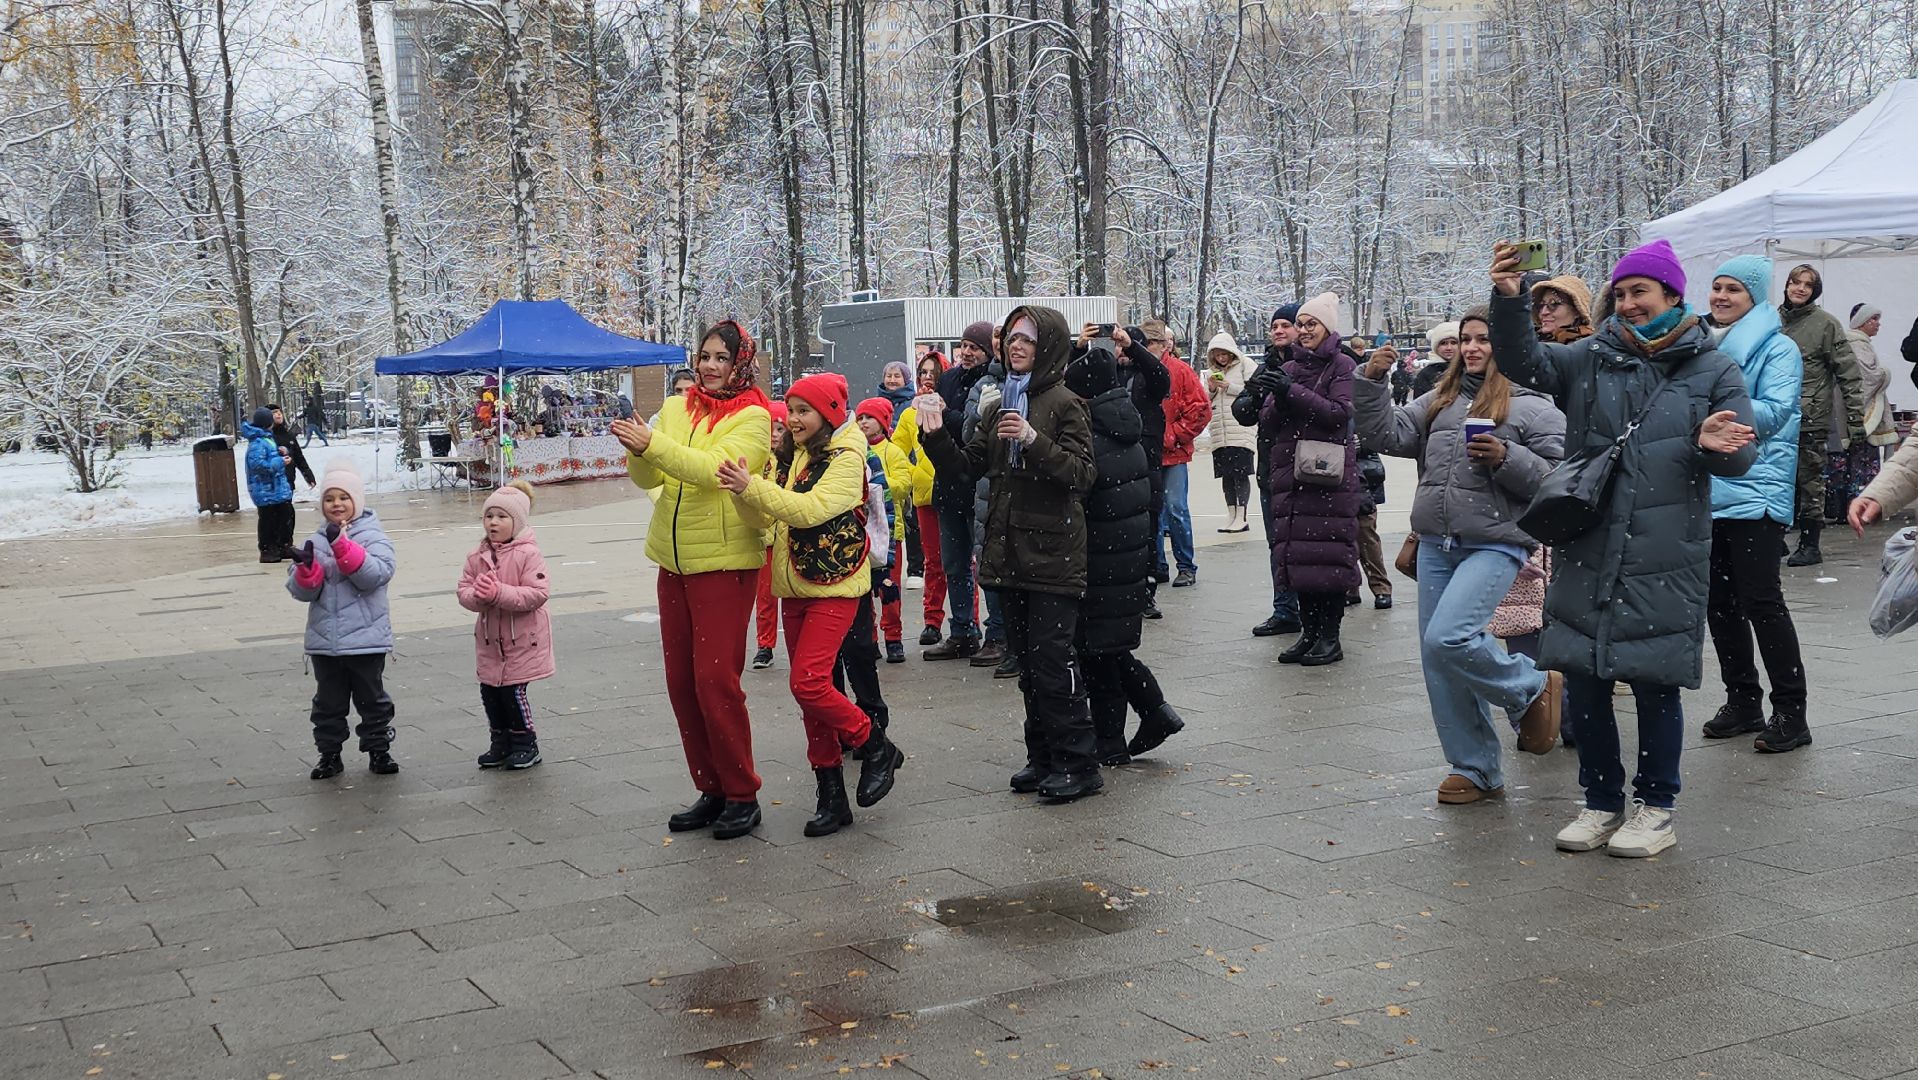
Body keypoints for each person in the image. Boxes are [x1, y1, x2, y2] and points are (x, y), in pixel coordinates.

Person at [1490, 238, 1757, 857]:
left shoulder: (1713, 368)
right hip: (1589, 539)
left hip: (1667, 548)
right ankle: (1600, 801)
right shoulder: (1589, 358)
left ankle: (1656, 807)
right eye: (1622, 293)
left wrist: (1718, 442)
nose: (1630, 303)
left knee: (1653, 679)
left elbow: (1743, 456)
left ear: (1671, 295)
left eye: (1642, 291)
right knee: (1583, 673)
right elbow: (1524, 361)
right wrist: (1508, 299)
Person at [1355, 309, 1566, 802]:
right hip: (1435, 542)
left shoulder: (1536, 408)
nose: (1472, 348)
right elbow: (1386, 434)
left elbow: (1558, 479)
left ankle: (1529, 687)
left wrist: (1507, 458)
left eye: (1484, 340)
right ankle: (1474, 767)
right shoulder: (1440, 399)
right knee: (1436, 656)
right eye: (1466, 339)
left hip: (1497, 542)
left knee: (1449, 638)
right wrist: (1370, 381)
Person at [919, 306, 1102, 800]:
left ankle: (1078, 763)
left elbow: (1082, 475)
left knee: (1053, 663)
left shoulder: (1065, 403)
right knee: (1027, 666)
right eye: (1011, 338)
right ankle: (1042, 758)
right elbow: (967, 468)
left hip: (1054, 553)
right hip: (1011, 553)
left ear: (1049, 347)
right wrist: (935, 435)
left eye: (1027, 339)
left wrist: (1033, 439)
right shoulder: (1002, 401)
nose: (1015, 346)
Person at [718, 372, 904, 837]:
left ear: (828, 414)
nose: (794, 419)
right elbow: (764, 515)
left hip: (835, 585)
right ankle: (831, 794)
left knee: (807, 683)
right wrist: (742, 491)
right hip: (794, 586)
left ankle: (875, 743)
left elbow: (810, 510)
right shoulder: (787, 456)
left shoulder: (847, 455)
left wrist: (752, 489)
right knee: (810, 698)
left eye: (804, 411)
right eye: (791, 410)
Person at [614, 321, 772, 841]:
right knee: (681, 682)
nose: (708, 366)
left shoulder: (753, 415)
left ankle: (742, 792)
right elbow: (651, 478)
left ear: (740, 364)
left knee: (715, 682)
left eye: (721, 358)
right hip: (673, 561)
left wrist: (653, 445)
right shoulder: (678, 408)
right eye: (704, 355)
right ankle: (711, 787)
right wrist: (640, 451)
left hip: (725, 564)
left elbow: (712, 471)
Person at [1698, 256, 1811, 753]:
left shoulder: (1779, 349)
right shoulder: (1702, 345)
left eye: (1734, 290)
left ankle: (1791, 712)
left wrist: (1711, 414)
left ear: (1756, 298)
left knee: (1763, 603)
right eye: (1717, 288)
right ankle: (1743, 700)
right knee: (1718, 604)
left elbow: (1775, 411)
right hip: (1709, 490)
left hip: (1757, 489)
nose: (1721, 297)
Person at [1064, 348, 1184, 765]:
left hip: (1102, 562)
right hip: (1123, 560)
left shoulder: (1095, 438)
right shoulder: (1122, 427)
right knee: (1108, 650)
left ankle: (1113, 742)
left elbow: (1083, 499)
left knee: (1098, 655)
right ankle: (1155, 712)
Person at [1252, 293, 1361, 666]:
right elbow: (1268, 420)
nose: (1303, 330)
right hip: (1292, 475)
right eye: (1301, 324)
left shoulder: (1342, 365)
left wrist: (1291, 394)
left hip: (1327, 479)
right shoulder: (1292, 368)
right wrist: (1276, 395)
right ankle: (1309, 632)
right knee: (1299, 560)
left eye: (1311, 323)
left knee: (1326, 559)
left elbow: (1338, 414)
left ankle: (1330, 636)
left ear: (1328, 326)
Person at [286, 459, 400, 779]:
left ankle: (379, 749)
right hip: (326, 642)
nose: (337, 504)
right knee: (328, 705)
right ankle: (329, 754)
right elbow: (303, 591)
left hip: (366, 640)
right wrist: (307, 571)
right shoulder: (316, 540)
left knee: (372, 700)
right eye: (329, 498)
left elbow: (375, 575)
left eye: (343, 497)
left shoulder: (373, 536)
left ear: (357, 500)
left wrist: (343, 547)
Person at [456, 480, 552, 770]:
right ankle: (500, 741)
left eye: (502, 517)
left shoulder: (528, 554)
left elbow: (537, 594)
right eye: (489, 516)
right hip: (489, 640)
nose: (493, 522)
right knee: (490, 691)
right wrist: (480, 597)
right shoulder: (477, 555)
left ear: (518, 522)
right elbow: (464, 590)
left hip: (522, 639)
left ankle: (525, 743)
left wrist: (499, 593)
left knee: (513, 692)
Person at [1779, 264, 1868, 566]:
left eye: (1808, 285)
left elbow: (1849, 375)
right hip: (1774, 415)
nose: (1800, 288)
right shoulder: (1771, 320)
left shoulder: (1826, 324)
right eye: (1795, 282)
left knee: (1809, 482)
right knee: (1776, 478)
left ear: (1815, 291)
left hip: (1810, 416)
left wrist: (1856, 420)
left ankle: (1810, 544)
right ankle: (1774, 539)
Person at [924, 321, 997, 661]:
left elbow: (973, 433)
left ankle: (997, 632)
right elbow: (940, 434)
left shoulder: (994, 383)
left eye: (975, 347)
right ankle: (963, 629)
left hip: (980, 486)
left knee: (986, 565)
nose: (967, 352)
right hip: (948, 483)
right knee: (953, 564)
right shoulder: (949, 378)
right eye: (964, 345)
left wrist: (945, 414)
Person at [1236, 305, 1303, 636]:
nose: (1278, 330)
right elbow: (1245, 414)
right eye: (1275, 325)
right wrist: (1254, 394)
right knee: (1277, 544)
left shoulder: (1311, 365)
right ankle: (1285, 609)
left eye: (1286, 325)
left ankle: (1315, 610)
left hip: (1306, 470)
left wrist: (1288, 389)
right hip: (1271, 471)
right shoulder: (1266, 367)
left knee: (1306, 544)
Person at [892, 353, 949, 644]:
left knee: (962, 564)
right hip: (925, 495)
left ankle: (969, 622)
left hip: (953, 492)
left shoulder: (950, 405)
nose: (927, 376)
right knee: (934, 562)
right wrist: (915, 474)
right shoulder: (908, 413)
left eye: (933, 371)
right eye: (923, 371)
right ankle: (932, 620)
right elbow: (895, 452)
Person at [1829, 303, 1901, 518]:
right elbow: (1866, 377)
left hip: (1844, 411)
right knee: (1859, 461)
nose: (1878, 323)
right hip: (1857, 413)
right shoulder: (1857, 344)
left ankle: (1842, 508)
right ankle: (1858, 508)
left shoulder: (1852, 342)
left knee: (1844, 462)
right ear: (1861, 321)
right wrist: (1885, 373)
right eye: (1874, 319)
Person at [856, 397, 913, 663]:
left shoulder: (892, 452)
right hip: (862, 533)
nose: (864, 422)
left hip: (890, 533)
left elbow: (903, 484)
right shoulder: (854, 451)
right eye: (860, 418)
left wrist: (876, 484)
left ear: (883, 422)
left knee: (889, 588)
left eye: (869, 418)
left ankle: (893, 637)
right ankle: (870, 640)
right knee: (863, 590)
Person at [1155, 323, 1211, 587]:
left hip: (1172, 453)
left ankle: (1186, 565)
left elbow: (1200, 409)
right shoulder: (1136, 369)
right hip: (1148, 453)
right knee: (1151, 512)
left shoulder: (1179, 371)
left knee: (1176, 509)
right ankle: (1157, 565)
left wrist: (1173, 435)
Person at [1202, 332, 1257, 533]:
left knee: (1240, 473)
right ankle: (1231, 514)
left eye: (1224, 354)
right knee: (1226, 476)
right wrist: (1212, 388)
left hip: (1240, 429)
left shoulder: (1245, 365)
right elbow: (1207, 400)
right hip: (1220, 430)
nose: (1221, 358)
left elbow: (1253, 391)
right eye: (1217, 354)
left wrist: (1229, 386)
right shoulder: (1211, 372)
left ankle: (1242, 516)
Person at [753, 402, 792, 671]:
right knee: (765, 597)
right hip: (766, 538)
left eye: (780, 428)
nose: (774, 434)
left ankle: (795, 642)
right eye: (770, 428)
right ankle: (764, 645)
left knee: (791, 592)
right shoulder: (758, 459)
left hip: (788, 538)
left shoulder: (793, 459)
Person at [243, 407, 296, 563]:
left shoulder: (266, 438)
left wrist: (280, 452)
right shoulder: (257, 442)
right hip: (265, 489)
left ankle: (282, 545)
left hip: (275, 488)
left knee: (284, 515)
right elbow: (258, 465)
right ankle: (267, 549)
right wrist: (280, 462)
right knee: (268, 520)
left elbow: (269, 456)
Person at [1529, 275, 1597, 343]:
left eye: (1553, 304)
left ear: (1577, 311)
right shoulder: (1530, 342)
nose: (1544, 312)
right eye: (1541, 305)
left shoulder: (1588, 348)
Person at [270, 405, 315, 495]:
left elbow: (299, 457)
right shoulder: (267, 437)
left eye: (279, 412)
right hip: (272, 485)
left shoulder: (289, 435)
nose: (279, 414)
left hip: (289, 482)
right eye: (274, 412)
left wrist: (308, 476)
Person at [1412, 322, 1458, 400]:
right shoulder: (1425, 374)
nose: (1449, 347)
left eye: (1453, 342)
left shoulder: (1469, 370)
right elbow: (1419, 407)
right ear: (1435, 346)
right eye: (1443, 343)